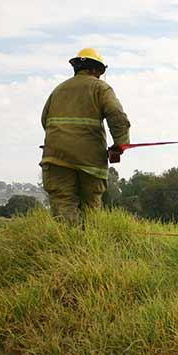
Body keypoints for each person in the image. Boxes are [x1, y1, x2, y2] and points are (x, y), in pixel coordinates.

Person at [40, 48, 130, 224]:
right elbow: (117, 115)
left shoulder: (58, 90)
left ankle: (66, 247)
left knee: (63, 207)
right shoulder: (100, 87)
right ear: (96, 70)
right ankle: (89, 247)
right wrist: (121, 144)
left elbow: (45, 121)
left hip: (55, 158)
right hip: (90, 161)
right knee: (90, 209)